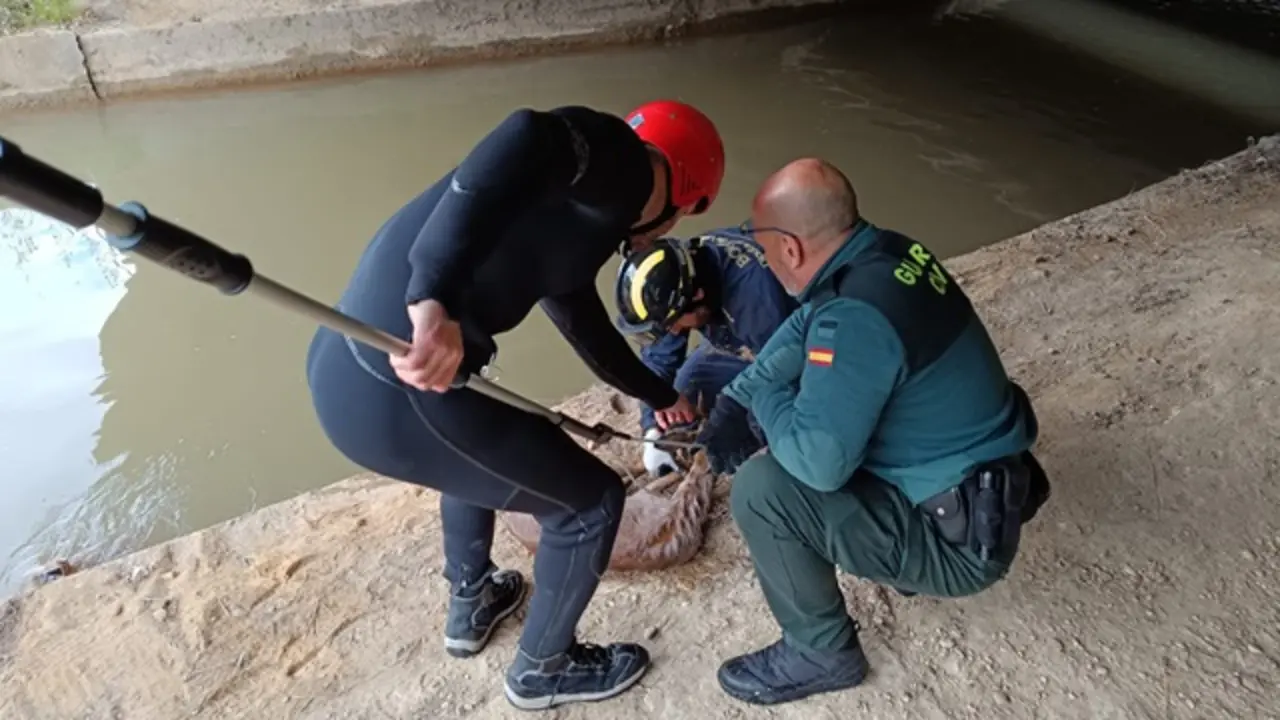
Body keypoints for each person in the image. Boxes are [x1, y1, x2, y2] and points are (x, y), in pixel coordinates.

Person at [304, 100, 725, 711]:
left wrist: (662, 398)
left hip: (350, 371)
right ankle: (542, 670)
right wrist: (432, 295)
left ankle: (472, 600)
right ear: (684, 191)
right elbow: (528, 131)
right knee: (591, 503)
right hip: (400, 383)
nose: (665, 232)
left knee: (494, 444)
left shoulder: (574, 215)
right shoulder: (626, 168)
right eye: (680, 215)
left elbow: (591, 335)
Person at [695, 158, 1051, 706]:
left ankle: (820, 652)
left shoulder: (854, 320)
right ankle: (897, 554)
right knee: (827, 410)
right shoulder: (885, 255)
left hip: (961, 541)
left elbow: (818, 466)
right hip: (988, 481)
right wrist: (740, 394)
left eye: (765, 249)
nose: (765, 260)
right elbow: (804, 326)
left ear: (789, 249)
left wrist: (763, 403)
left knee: (763, 489)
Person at [612, 228, 798, 477]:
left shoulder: (755, 297)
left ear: (697, 297)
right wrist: (653, 429)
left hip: (784, 347)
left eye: (674, 324)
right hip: (734, 341)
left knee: (754, 425)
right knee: (682, 398)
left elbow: (779, 371)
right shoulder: (681, 278)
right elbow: (658, 361)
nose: (674, 331)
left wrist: (730, 414)